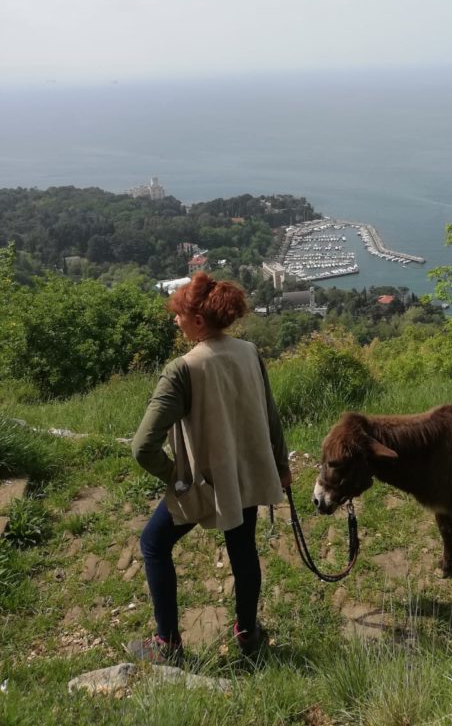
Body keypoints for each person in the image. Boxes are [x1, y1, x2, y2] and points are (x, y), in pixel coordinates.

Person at [126, 273, 291, 664]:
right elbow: (271, 416)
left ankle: (168, 645)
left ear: (199, 320)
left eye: (179, 314)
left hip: (204, 483)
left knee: (153, 545)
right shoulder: (249, 351)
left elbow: (142, 447)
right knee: (242, 548)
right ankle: (248, 636)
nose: (175, 320)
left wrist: (178, 479)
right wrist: (281, 465)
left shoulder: (182, 369)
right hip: (247, 473)